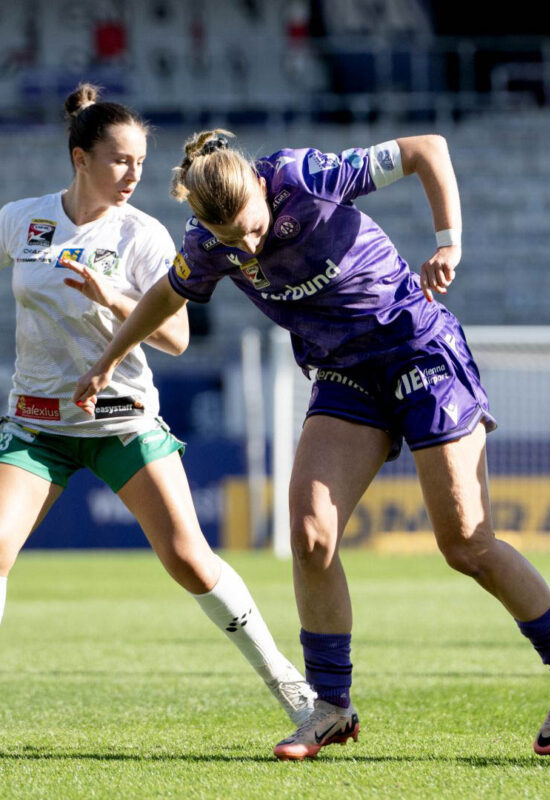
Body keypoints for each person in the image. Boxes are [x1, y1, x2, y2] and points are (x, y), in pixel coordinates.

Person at [73, 129, 550, 761]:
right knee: (310, 533)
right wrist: (110, 358)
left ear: (260, 188)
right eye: (231, 240)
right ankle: (329, 706)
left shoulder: (307, 175)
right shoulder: (206, 243)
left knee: (465, 543)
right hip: (344, 374)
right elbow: (166, 293)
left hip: (417, 349)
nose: (249, 246)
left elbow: (426, 150)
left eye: (252, 227)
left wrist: (447, 242)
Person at [0, 85, 314, 727]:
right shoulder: (21, 219)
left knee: (187, 557)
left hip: (121, 419)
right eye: (120, 160)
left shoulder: (142, 233)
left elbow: (176, 338)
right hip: (37, 422)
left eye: (140, 162)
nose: (134, 175)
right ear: (80, 157)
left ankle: (289, 684)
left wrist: (114, 296)